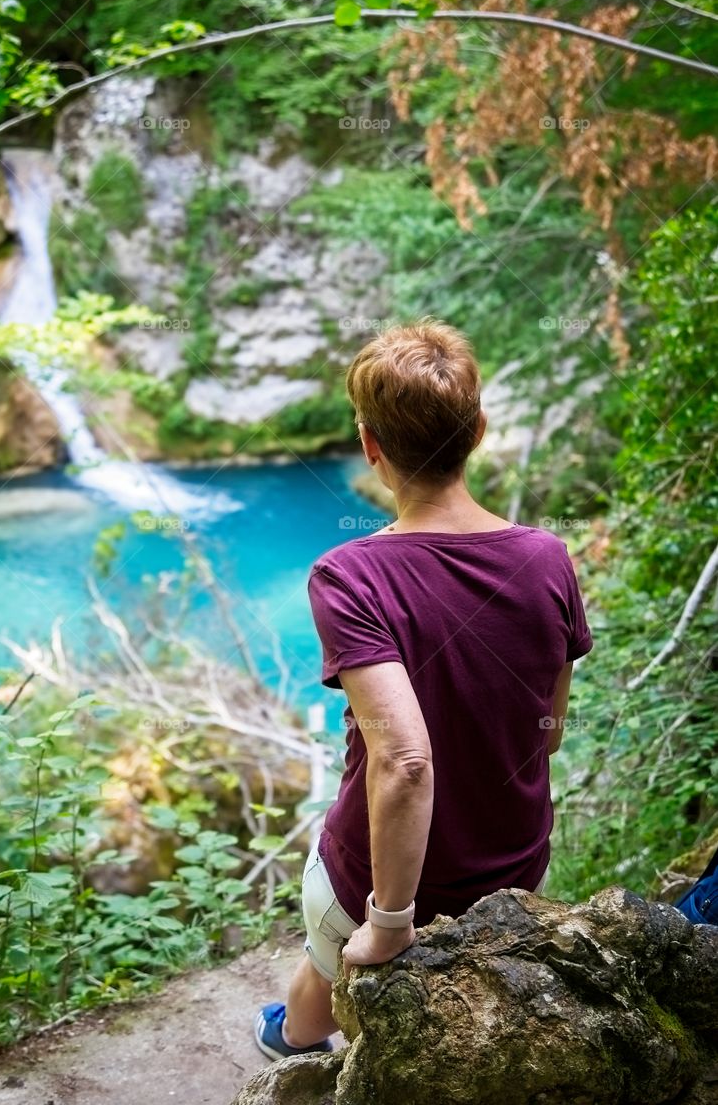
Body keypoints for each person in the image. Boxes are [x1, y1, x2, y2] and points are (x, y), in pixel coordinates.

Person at [254, 319, 593, 1060]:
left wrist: (393, 917)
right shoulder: (548, 558)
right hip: (510, 870)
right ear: (477, 430)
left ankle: (296, 1039)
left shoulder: (348, 575)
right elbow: (548, 730)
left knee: (317, 959)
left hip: (388, 882)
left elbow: (404, 761)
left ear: (372, 448)